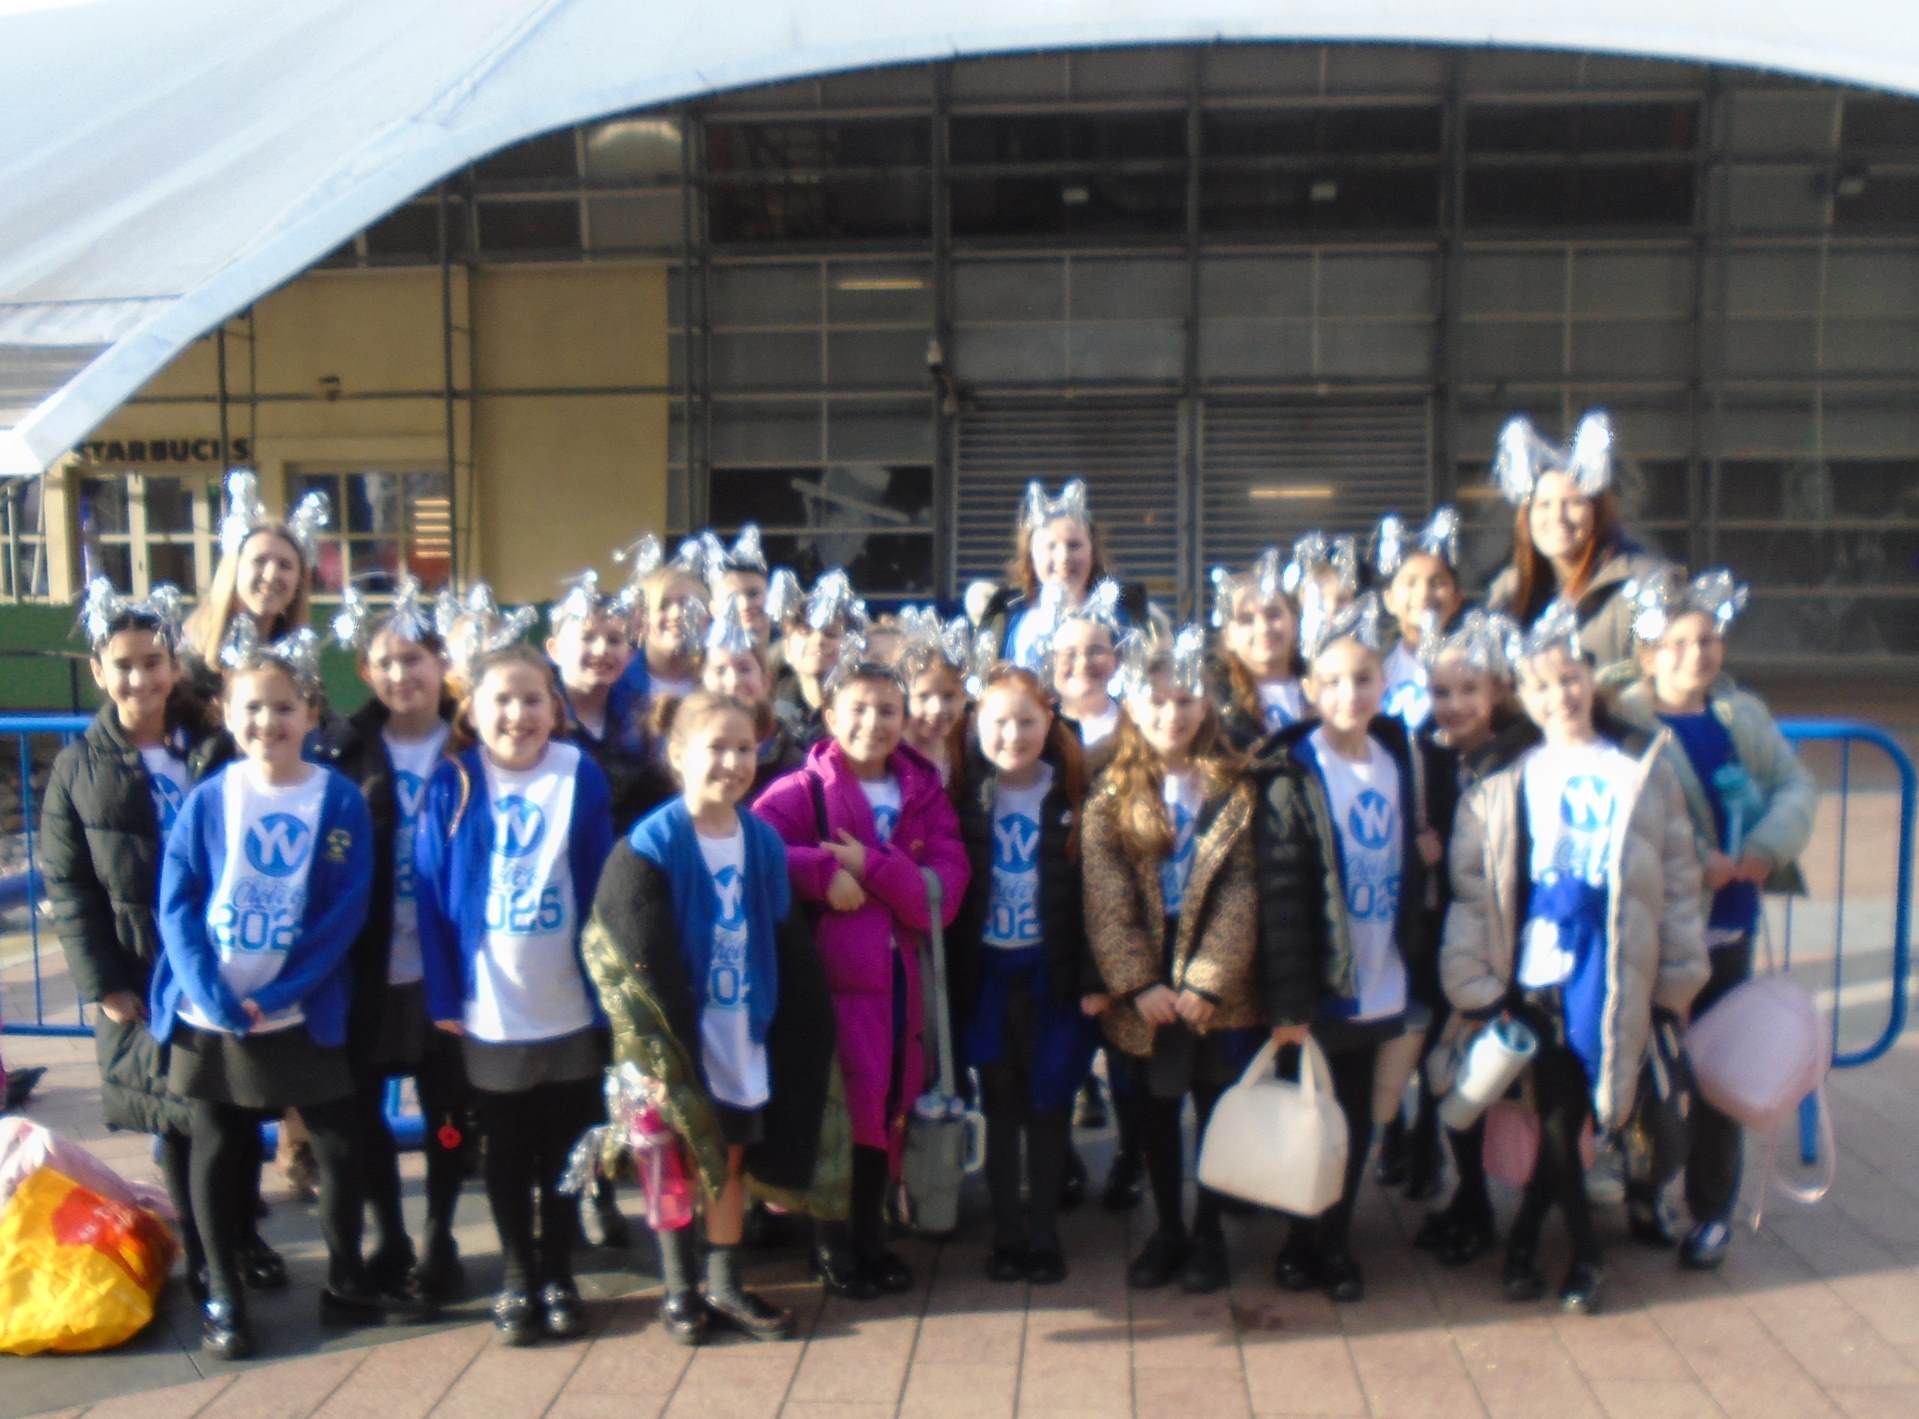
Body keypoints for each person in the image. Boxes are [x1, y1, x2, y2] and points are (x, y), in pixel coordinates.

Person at [1441, 601, 1708, 1316]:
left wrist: (1678, 975)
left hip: (1616, 967)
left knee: (1581, 1110)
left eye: (1568, 678)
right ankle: (1584, 1255)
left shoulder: (1640, 767)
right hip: (1536, 968)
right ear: (1519, 697)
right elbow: (1475, 887)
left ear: (1590, 679)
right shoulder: (1501, 777)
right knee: (1560, 1112)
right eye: (1539, 685)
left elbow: (1678, 877)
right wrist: (1473, 977)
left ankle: (1528, 1240)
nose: (1558, 695)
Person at [149, 626, 390, 1359]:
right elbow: (177, 901)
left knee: (339, 1142)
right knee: (218, 1145)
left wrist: (288, 986)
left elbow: (345, 909)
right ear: (226, 713)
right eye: (251, 707)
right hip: (212, 1011)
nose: (268, 721)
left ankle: (346, 1276)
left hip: (301, 1009)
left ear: (311, 712)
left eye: (284, 707)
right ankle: (224, 1293)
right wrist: (209, 989)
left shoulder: (338, 800)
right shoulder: (210, 798)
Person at [582, 691, 848, 1345]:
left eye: (744, 748)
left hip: (739, 1031)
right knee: (671, 1163)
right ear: (677, 754)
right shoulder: (649, 845)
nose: (732, 761)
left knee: (727, 1161)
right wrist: (661, 1052)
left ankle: (725, 1280)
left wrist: (798, 1026)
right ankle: (679, 1290)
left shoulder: (759, 840)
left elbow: (782, 935)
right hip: (675, 1040)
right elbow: (633, 958)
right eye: (716, 747)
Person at [1611, 568, 1815, 1270]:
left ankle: (1711, 1208)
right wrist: (1695, 858)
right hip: (1657, 924)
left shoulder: (1740, 715)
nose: (1694, 655)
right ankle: (1643, 1188)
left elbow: (1794, 784)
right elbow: (1627, 813)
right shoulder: (1626, 723)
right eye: (1676, 643)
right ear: (1647, 653)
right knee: (1651, 1066)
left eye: (1706, 640)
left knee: (1721, 1069)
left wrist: (1764, 849)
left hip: (1728, 922)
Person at [414, 641, 616, 1344]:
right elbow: (430, 896)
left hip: (568, 1003)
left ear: (554, 709)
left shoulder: (579, 772)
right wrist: (445, 996)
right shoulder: (454, 781)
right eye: (501, 699)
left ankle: (558, 1271)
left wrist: (608, 990)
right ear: (472, 708)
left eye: (533, 699)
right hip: (490, 1006)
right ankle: (516, 1272)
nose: (518, 714)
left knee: (566, 1146)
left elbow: (601, 880)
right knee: (503, 1148)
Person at [43, 579, 238, 1307]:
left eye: (153, 662)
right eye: (123, 665)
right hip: (143, 964)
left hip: (219, 959)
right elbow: (69, 884)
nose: (140, 679)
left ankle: (239, 1241)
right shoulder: (79, 768)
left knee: (229, 1109)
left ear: (174, 666)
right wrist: (102, 981)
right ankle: (208, 1257)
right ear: (99, 671)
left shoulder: (213, 747)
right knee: (178, 1118)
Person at [753, 647, 969, 1299]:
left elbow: (942, 894)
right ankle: (831, 1245)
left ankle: (871, 1238)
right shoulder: (801, 791)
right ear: (828, 713)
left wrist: (871, 867)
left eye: (888, 710)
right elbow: (758, 852)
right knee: (838, 1112)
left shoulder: (924, 793)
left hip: (902, 985)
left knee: (887, 1110)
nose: (873, 722)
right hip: (829, 986)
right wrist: (823, 873)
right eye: (858, 708)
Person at [1252, 590, 1430, 1304]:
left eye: (1362, 678)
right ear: (1309, 689)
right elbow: (1280, 892)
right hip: (1318, 980)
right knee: (1307, 1115)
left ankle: (1336, 1238)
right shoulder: (1293, 765)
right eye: (1331, 681)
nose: (1348, 694)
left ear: (1385, 683)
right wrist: (1288, 1000)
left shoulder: (1397, 756)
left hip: (1379, 971)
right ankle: (1299, 1237)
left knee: (1353, 1117)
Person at [1081, 626, 1261, 1294]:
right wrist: (1137, 982)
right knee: (1156, 1105)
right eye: (1156, 700)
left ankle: (1209, 1229)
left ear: (1206, 704)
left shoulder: (1232, 786)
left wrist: (1209, 979)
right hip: (1150, 974)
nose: (1172, 714)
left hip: (1216, 975)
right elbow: (1105, 897)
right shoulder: (1111, 792)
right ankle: (1168, 1227)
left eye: (1186, 699)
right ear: (1132, 704)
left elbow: (1242, 889)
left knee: (1214, 1103)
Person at [315, 578, 470, 1301]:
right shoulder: (340, 749)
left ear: (442, 664)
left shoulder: (473, 744)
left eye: (416, 658)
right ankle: (390, 1234)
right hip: (367, 965)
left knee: (447, 1110)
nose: (402, 673)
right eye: (386, 661)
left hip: (447, 965)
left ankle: (440, 1233)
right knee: (364, 1109)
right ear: (365, 670)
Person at [950, 665, 1096, 1285]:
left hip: (1051, 975)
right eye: (1000, 722)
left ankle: (1043, 1232)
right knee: (1000, 1104)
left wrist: (1092, 977)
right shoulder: (965, 795)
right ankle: (1007, 1233)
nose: (1013, 735)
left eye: (1027, 721)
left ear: (1049, 722)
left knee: (1049, 1103)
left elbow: (1096, 897)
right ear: (977, 725)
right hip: (989, 975)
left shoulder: (1075, 796)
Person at [1404, 611, 1536, 1261]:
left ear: (1500, 690)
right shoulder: (1421, 752)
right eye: (1440, 691)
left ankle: (1519, 1207)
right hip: (1438, 939)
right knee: (1447, 1068)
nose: (1452, 705)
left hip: (1503, 939)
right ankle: (1470, 1196)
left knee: (1505, 1073)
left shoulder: (1525, 755)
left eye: (1468, 690)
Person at [1484, 412, 1668, 681]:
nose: (1558, 517)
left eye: (1574, 503)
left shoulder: (1646, 581)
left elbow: (1660, 679)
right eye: (1544, 505)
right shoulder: (1508, 590)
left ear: (1598, 513)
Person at [179, 470, 328, 704]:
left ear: (298, 584)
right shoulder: (189, 661)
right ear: (234, 571)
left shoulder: (298, 661)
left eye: (285, 565)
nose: (271, 575)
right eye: (259, 561)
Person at [975, 480, 1151, 673]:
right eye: (1050, 546)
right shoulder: (1006, 619)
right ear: (1031, 555)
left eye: (1074, 545)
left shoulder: (1122, 619)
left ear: (1092, 552)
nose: (1064, 558)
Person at [701, 594, 806, 802]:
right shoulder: (690, 753)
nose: (733, 681)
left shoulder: (791, 759)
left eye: (745, 669)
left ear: (765, 680)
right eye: (720, 670)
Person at [1372, 509, 1465, 732]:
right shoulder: (1376, 670)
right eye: (1410, 583)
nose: (1424, 594)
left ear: (1456, 599)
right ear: (1389, 599)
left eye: (1437, 583)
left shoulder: (1473, 667)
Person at [1207, 548, 1308, 753]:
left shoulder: (1328, 686)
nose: (1263, 629)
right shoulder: (1214, 705)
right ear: (1228, 637)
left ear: (1295, 622)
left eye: (1273, 614)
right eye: (1246, 620)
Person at [771, 570, 865, 748]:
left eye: (830, 634)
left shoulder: (867, 713)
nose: (818, 641)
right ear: (787, 648)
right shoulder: (770, 715)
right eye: (806, 632)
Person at [897, 608, 973, 786]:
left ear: (963, 696)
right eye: (923, 697)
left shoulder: (964, 744)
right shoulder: (894, 748)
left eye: (949, 696)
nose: (937, 708)